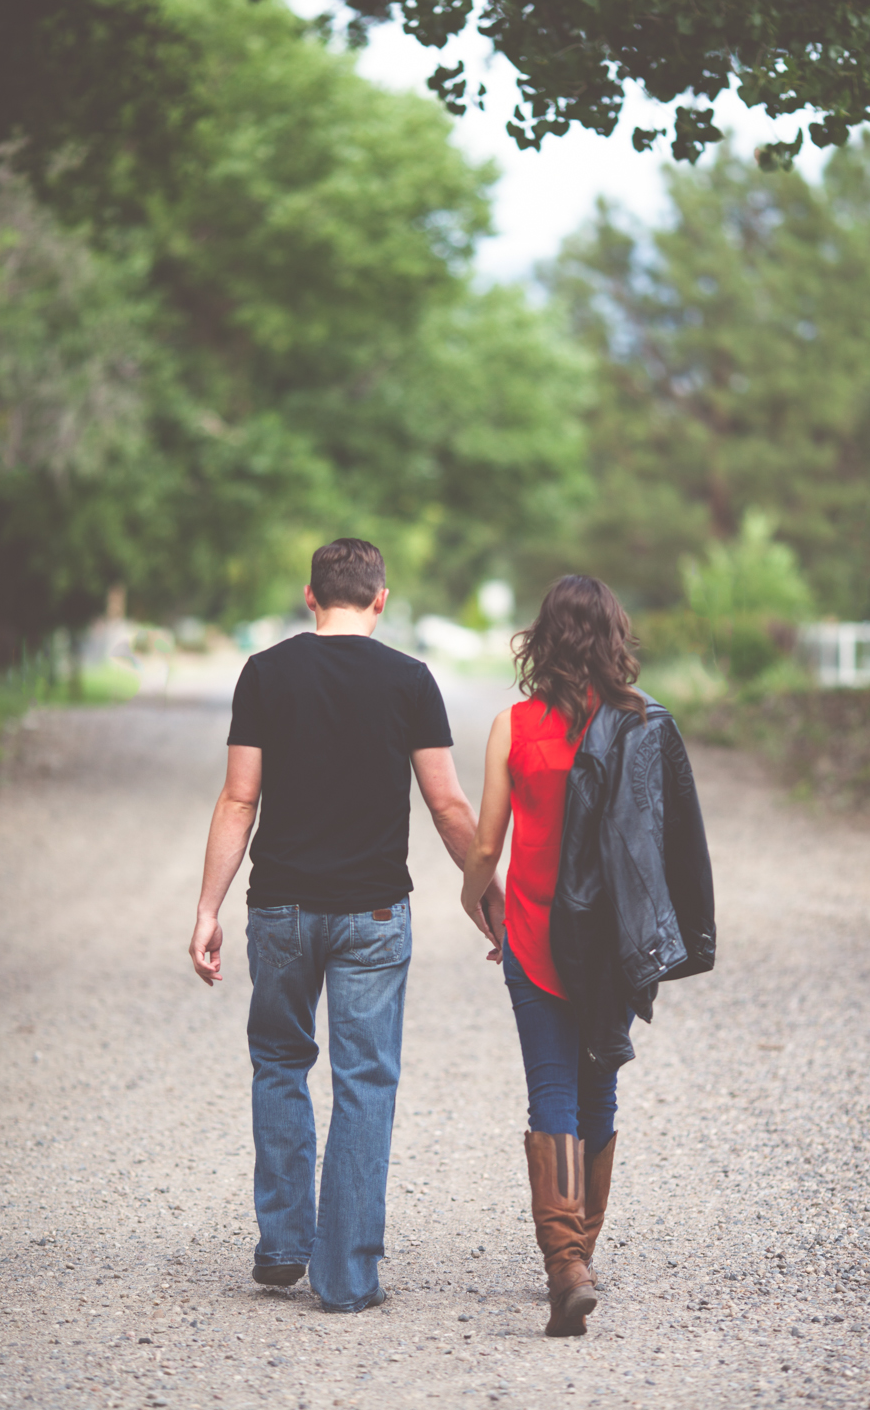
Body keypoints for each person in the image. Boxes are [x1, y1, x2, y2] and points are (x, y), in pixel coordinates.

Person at [188, 538, 503, 1313]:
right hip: (372, 913)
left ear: (310, 597)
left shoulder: (265, 673)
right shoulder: (409, 679)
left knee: (279, 1062)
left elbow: (238, 798)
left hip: (281, 910)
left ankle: (286, 1243)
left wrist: (207, 908)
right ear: (381, 600)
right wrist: (487, 894)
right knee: (365, 1082)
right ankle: (347, 1277)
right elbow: (449, 805)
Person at [461, 575, 715, 1338]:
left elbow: (484, 844)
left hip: (536, 937)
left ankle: (566, 1264)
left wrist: (477, 897)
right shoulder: (643, 724)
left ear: (542, 641)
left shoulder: (514, 726)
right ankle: (579, 1259)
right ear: (613, 640)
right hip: (611, 945)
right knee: (598, 1085)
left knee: (552, 1095)